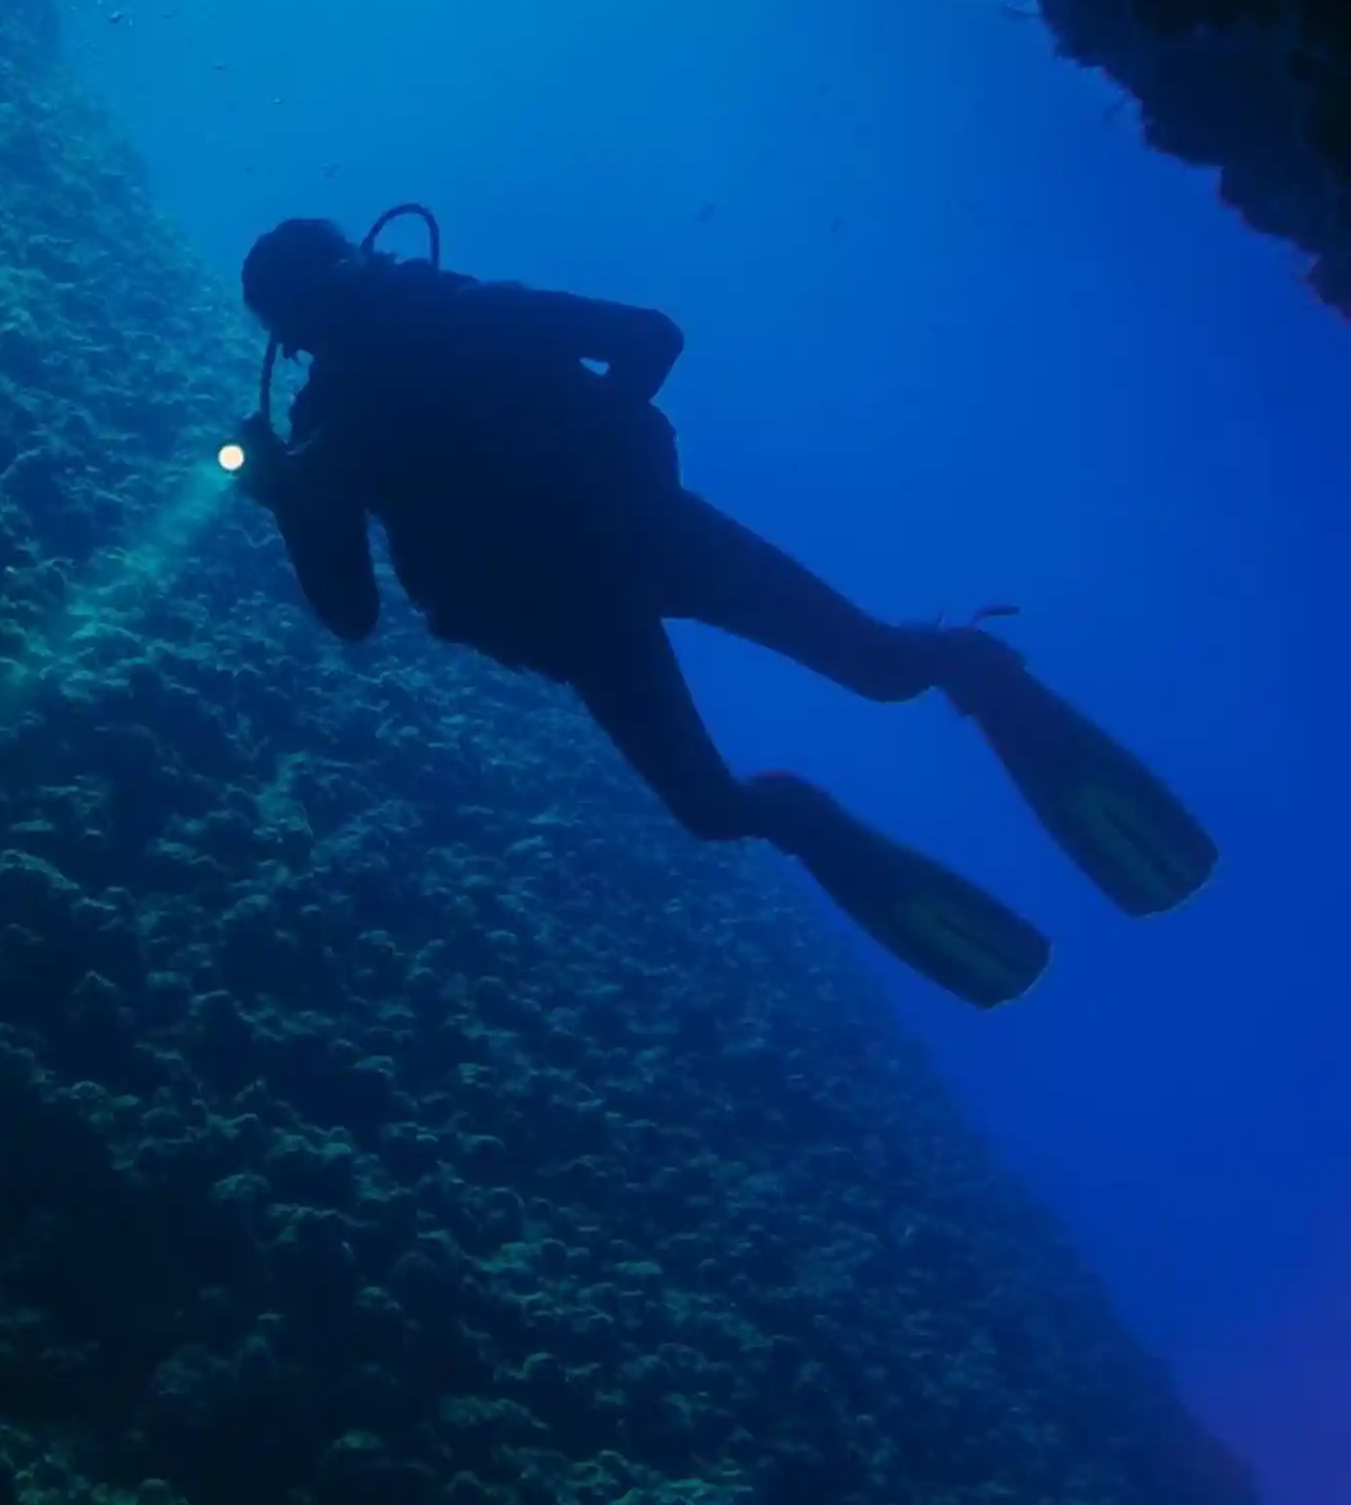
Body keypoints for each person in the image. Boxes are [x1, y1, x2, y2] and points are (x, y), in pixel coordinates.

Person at [232, 217, 1216, 1008]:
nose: (334, 323)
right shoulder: (395, 368)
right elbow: (647, 335)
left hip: (612, 576)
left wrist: (290, 497)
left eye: (323, 304)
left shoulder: (385, 375)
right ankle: (872, 747)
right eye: (317, 312)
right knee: (806, 730)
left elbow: (351, 610)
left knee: (828, 713)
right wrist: (295, 502)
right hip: (623, 568)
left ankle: (927, 701)